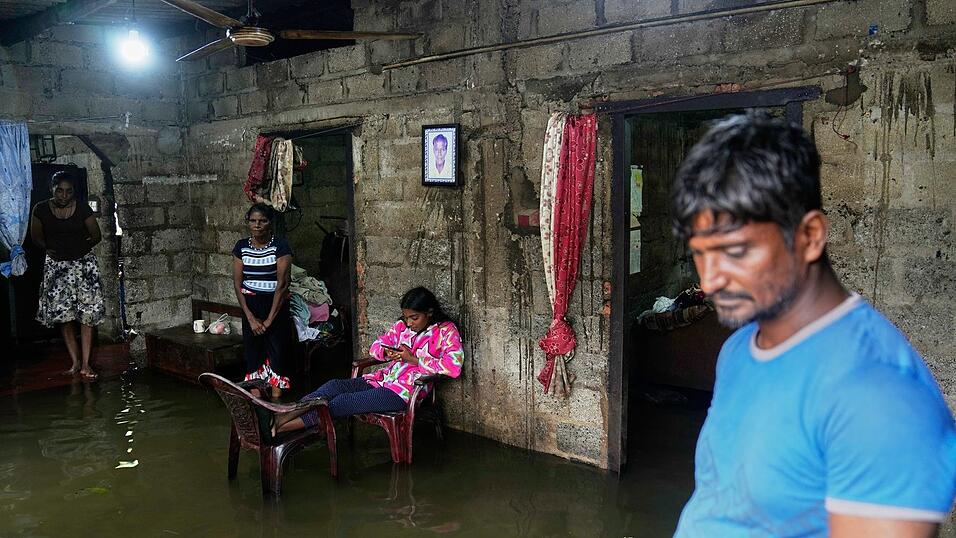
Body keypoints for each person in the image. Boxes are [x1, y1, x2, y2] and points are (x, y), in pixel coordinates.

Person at [671, 111, 956, 537]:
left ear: (809, 236)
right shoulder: (739, 350)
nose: (709, 281)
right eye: (700, 253)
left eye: (735, 252)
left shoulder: (879, 398)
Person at [273, 287, 463, 434]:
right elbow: (376, 346)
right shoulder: (402, 326)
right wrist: (387, 352)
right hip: (381, 380)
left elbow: (453, 367)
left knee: (341, 403)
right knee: (333, 386)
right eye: (406, 318)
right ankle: (281, 418)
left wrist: (413, 359)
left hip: (404, 392)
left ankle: (281, 428)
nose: (409, 323)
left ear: (429, 312)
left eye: (414, 318)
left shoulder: (446, 331)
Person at [30, 170, 105, 380]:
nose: (64, 195)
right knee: (65, 315)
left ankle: (86, 365)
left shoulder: (82, 208)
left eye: (68, 191)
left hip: (83, 266)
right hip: (57, 267)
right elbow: (36, 237)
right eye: (59, 191)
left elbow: (96, 235)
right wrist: (52, 249)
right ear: (51, 189)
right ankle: (75, 363)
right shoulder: (40, 209)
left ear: (74, 192)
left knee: (87, 315)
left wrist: (78, 248)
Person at [232, 203, 293, 400]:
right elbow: (237, 284)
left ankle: (276, 403)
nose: (257, 225)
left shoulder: (280, 246)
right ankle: (257, 402)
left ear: (270, 223)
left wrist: (268, 320)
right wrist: (251, 318)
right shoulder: (241, 247)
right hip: (251, 307)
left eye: (262, 221)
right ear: (248, 223)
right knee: (253, 355)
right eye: (253, 221)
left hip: (275, 306)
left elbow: (282, 285)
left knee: (277, 355)